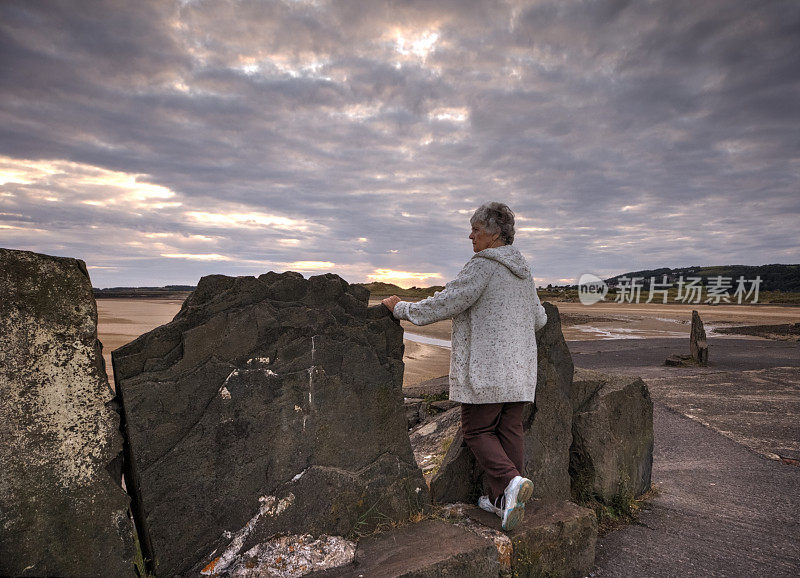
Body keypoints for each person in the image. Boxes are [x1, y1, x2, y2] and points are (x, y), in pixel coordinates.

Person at [382, 201, 548, 531]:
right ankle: (502, 500)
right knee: (509, 429)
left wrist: (400, 308)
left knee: (476, 430)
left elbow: (447, 302)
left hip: (488, 371)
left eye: (476, 229)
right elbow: (540, 319)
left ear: (496, 234)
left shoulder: (483, 265)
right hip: (521, 372)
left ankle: (511, 483)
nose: (470, 235)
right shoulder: (523, 274)